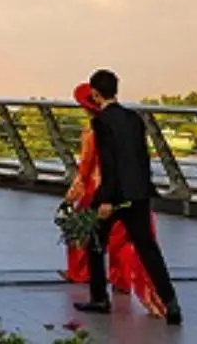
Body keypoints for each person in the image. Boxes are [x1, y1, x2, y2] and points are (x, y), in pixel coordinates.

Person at [76, 69, 182, 325]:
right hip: (139, 192)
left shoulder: (101, 121)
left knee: (94, 242)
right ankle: (171, 302)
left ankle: (100, 299)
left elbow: (109, 163)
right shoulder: (134, 118)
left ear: (95, 93)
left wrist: (105, 200)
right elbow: (141, 158)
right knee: (148, 248)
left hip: (116, 195)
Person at [63, 82, 164, 316]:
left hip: (103, 193)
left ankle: (93, 288)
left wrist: (73, 194)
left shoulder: (93, 132)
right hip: (133, 194)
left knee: (93, 240)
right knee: (134, 244)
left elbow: (86, 169)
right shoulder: (128, 123)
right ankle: (142, 290)